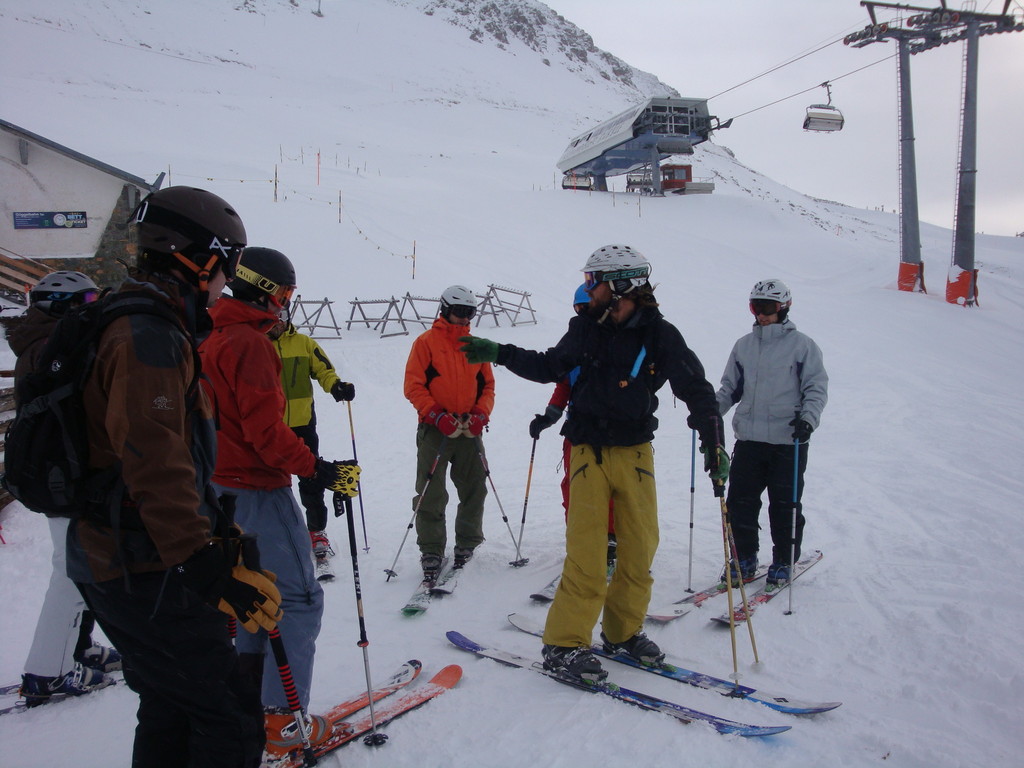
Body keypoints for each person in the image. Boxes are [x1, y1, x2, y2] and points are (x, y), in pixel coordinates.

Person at [67, 186, 283, 768]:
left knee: (172, 704)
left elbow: (173, 455)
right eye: (228, 265)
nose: (227, 281)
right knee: (228, 714)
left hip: (127, 553)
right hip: (141, 563)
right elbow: (155, 459)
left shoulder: (145, 320)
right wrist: (201, 562)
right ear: (200, 260)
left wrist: (219, 537)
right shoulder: (149, 335)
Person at [460, 245, 727, 682]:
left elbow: (696, 388)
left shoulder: (660, 334)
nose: (588, 289)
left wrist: (714, 442)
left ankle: (622, 632)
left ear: (620, 285)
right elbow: (550, 366)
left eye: (593, 281)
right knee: (587, 553)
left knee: (639, 550)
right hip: (587, 451)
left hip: (635, 453)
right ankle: (564, 644)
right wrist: (499, 351)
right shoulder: (585, 328)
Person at [199, 245, 360, 760]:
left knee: (254, 595)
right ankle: (282, 720)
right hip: (257, 488)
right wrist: (319, 469)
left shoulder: (212, 333)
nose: (287, 302)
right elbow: (266, 433)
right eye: (286, 292)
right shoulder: (249, 343)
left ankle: (254, 703)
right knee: (299, 600)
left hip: (220, 487)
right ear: (267, 291)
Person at [4, 271, 121, 707]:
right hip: (60, 472)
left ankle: (77, 648)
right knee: (72, 571)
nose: (92, 309)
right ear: (62, 305)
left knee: (80, 565)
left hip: (59, 470)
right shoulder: (49, 347)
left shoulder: (47, 340)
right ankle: (47, 671)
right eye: (85, 301)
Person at [715, 279, 828, 585]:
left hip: (788, 441)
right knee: (740, 502)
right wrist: (710, 412)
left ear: (784, 308)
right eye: (756, 307)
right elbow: (730, 388)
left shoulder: (802, 346)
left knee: (784, 505)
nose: (762, 315)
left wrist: (808, 419)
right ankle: (744, 557)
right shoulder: (744, 346)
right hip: (750, 440)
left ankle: (783, 561)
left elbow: (815, 388)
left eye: (768, 308)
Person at [403, 285, 495, 580]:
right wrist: (434, 414)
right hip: (436, 429)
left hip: (468, 428)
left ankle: (467, 542)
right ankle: (431, 548)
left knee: (475, 487)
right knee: (430, 491)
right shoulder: (426, 343)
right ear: (445, 310)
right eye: (459, 312)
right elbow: (413, 385)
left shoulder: (476, 346)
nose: (463, 318)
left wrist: (481, 413)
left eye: (469, 313)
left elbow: (488, 386)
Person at [528, 284, 616, 570]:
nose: (582, 314)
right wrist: (548, 417)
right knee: (574, 485)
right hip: (577, 430)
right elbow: (564, 384)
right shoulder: (575, 344)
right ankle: (581, 538)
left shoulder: (616, 342)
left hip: (613, 432)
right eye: (578, 309)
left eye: (586, 307)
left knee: (610, 487)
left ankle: (612, 538)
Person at [268, 320, 356, 569]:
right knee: (271, 480)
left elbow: (324, 370)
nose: (278, 322)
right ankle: (276, 533)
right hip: (269, 425)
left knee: (311, 477)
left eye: (282, 314)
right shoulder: (257, 344)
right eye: (274, 315)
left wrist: (336, 386)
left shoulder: (304, 343)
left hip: (302, 423)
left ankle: (316, 531)